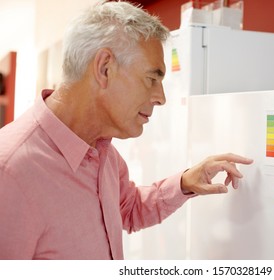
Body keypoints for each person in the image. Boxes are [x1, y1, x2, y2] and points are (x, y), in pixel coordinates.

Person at [0, 1, 253, 260]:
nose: (161, 97)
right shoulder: (10, 172)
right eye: (152, 79)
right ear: (105, 68)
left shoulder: (104, 153)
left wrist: (185, 182)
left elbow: (128, 208)